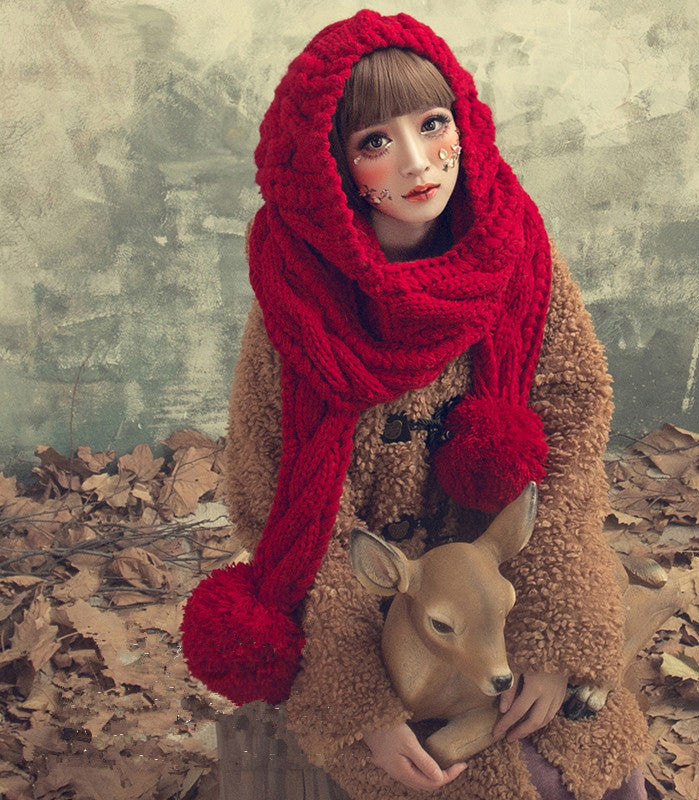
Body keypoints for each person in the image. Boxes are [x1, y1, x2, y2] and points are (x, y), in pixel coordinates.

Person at [181, 11, 650, 800]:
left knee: (587, 761)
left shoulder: (518, 253)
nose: (418, 162)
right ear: (335, 169)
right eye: (374, 143)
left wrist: (548, 631)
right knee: (440, 779)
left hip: (498, 580)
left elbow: (566, 437)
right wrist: (358, 702)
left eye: (433, 124)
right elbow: (280, 506)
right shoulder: (295, 301)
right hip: (369, 609)